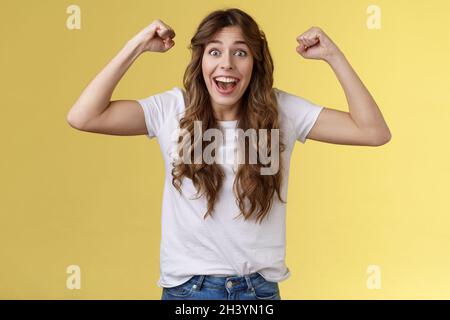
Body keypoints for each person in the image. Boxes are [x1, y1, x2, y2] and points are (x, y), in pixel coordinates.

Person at [67, 8, 391, 300]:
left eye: (240, 53)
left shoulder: (282, 113)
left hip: (259, 292)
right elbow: (84, 116)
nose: (227, 64)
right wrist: (137, 44)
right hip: (189, 293)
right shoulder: (171, 110)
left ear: (255, 64)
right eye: (215, 52)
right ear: (200, 61)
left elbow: (373, 132)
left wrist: (334, 56)